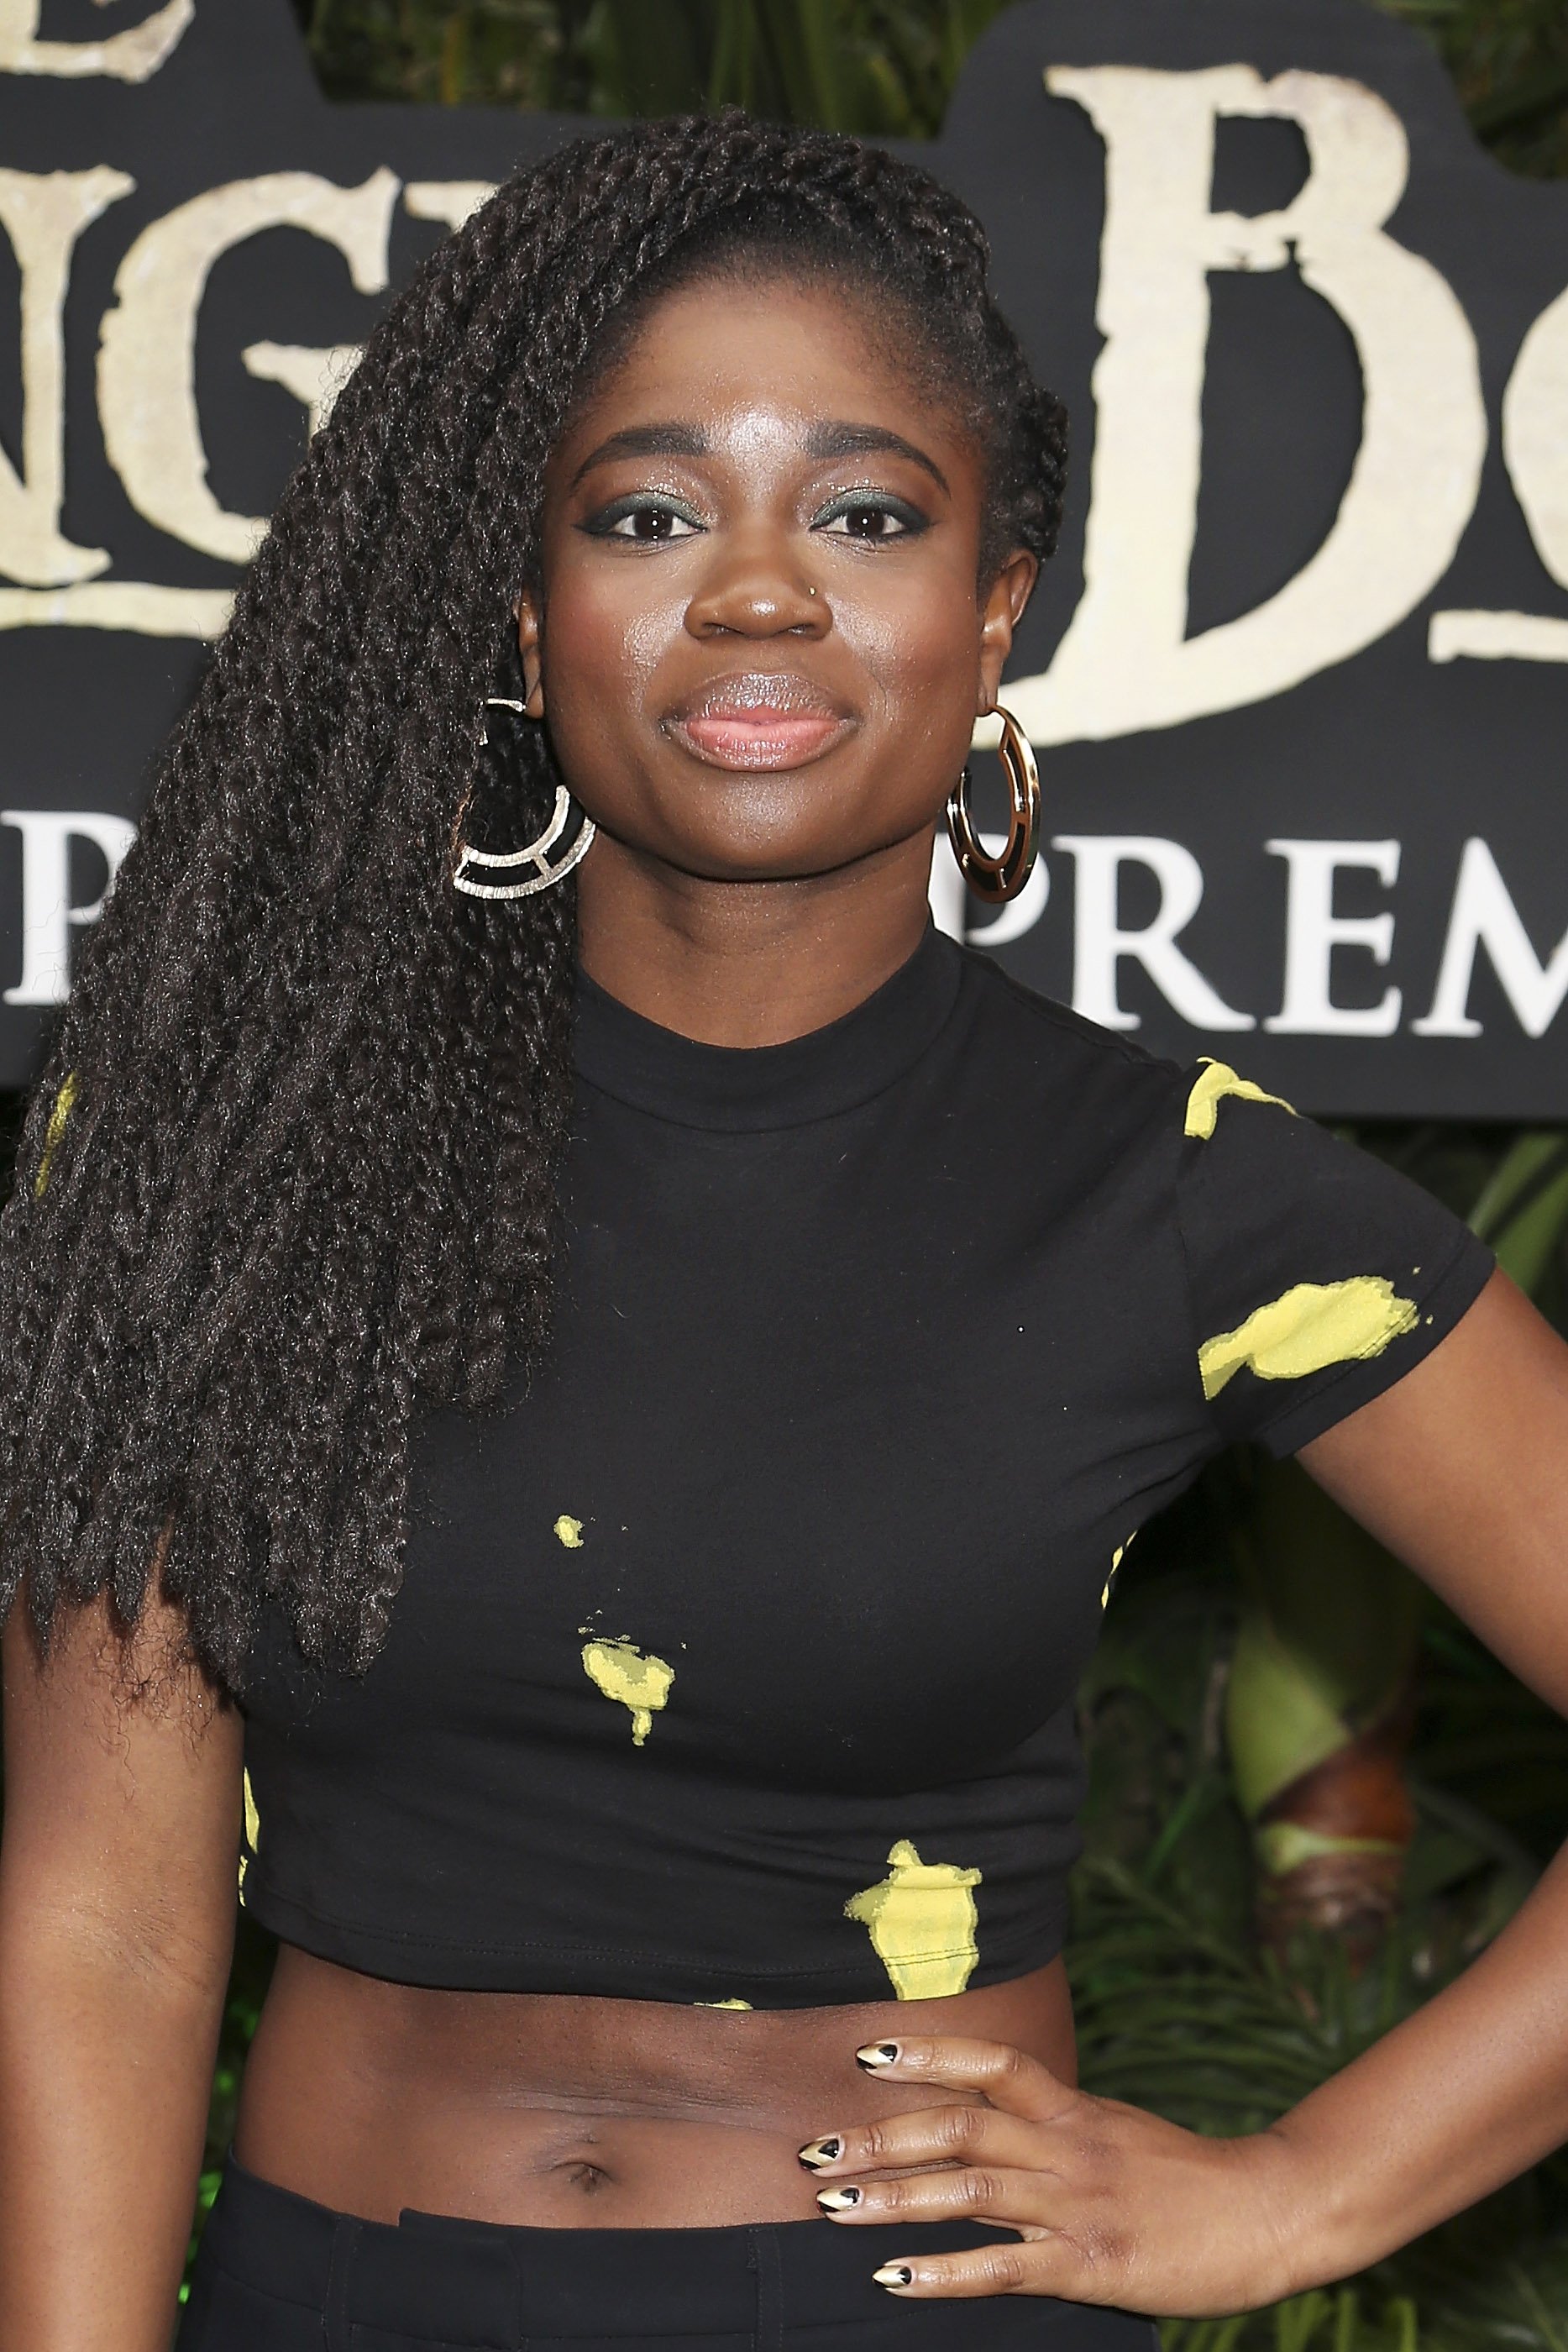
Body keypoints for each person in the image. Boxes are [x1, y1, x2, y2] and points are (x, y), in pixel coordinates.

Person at [2, 109, 1567, 2352]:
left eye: (861, 511)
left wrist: (1306, 2190)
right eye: (645, 513)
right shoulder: (230, 1154)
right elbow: (104, 1925)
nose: (755, 589)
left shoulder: (1177, 1185)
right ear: (523, 619)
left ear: (992, 602)